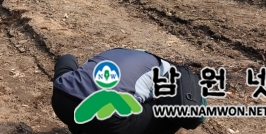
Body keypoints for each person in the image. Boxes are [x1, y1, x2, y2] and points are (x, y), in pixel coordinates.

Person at [52, 48, 198, 134]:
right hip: (108, 120)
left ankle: (81, 128)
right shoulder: (166, 73)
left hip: (61, 100)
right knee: (174, 112)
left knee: (68, 59)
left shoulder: (119, 52)